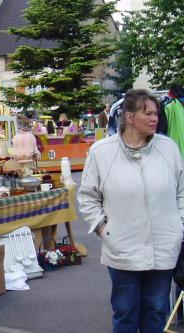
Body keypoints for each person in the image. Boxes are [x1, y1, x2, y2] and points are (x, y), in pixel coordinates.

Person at [78, 89, 184, 333]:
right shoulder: (102, 152)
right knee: (125, 312)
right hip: (122, 248)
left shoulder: (168, 148)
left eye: (156, 113)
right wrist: (105, 230)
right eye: (147, 113)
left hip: (164, 247)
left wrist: (178, 226)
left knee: (157, 311)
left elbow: (181, 191)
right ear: (129, 117)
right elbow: (87, 197)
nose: (155, 118)